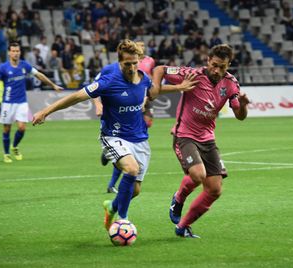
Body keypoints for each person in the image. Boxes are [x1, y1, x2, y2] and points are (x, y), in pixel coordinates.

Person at [31, 39, 196, 230]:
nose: (132, 67)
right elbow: (76, 96)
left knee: (134, 191)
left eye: (135, 62)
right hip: (113, 135)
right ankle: (123, 220)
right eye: (128, 63)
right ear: (120, 62)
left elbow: (153, 92)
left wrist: (178, 87)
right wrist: (45, 111)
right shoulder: (109, 80)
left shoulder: (143, 78)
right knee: (131, 169)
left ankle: (112, 206)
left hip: (139, 138)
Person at [153, 44, 250, 238]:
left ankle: (182, 226)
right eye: (214, 65)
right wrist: (156, 88)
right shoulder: (192, 74)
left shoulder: (231, 84)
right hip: (184, 135)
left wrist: (244, 106)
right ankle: (178, 198)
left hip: (207, 139)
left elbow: (240, 116)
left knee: (214, 189)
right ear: (208, 61)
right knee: (198, 175)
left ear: (228, 65)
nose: (217, 70)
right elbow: (160, 69)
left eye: (222, 66)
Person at [97, 40, 157, 194]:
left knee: (145, 126)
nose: (142, 49)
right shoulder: (111, 69)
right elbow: (95, 87)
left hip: (139, 101)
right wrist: (98, 104)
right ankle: (112, 184)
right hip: (116, 115)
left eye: (143, 47)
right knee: (127, 158)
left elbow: (149, 84)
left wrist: (146, 100)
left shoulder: (149, 63)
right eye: (139, 46)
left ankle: (114, 203)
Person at [0, 42, 63, 163]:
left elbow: (39, 75)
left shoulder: (24, 65)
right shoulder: (3, 67)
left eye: (17, 51)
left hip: (21, 102)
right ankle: (6, 153)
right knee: (6, 129)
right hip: (7, 102)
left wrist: (53, 85)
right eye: (13, 51)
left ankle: (14, 146)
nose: (15, 53)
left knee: (22, 128)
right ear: (9, 52)